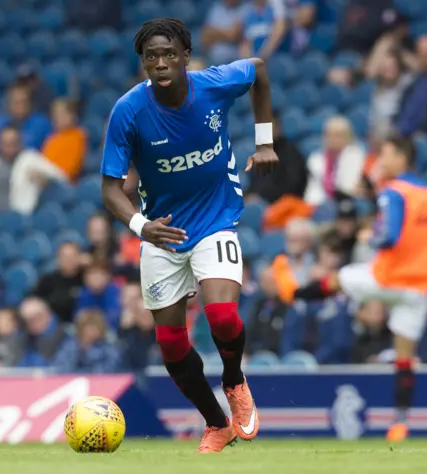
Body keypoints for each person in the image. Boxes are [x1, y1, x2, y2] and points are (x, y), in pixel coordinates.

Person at [100, 18, 278, 452]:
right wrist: (143, 226)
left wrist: (264, 141)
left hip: (215, 216)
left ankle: (234, 381)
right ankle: (216, 424)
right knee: (171, 347)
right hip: (163, 231)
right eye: (151, 57)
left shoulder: (215, 84)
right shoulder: (128, 111)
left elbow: (258, 69)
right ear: (143, 63)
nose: (160, 63)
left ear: (185, 57)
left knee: (221, 317)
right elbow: (109, 188)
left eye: (168, 54)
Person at [273, 134, 427, 442]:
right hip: (420, 286)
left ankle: (295, 293)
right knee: (405, 356)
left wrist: (371, 237)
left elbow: (390, 236)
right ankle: (401, 423)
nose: (382, 161)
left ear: (401, 159)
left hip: (389, 277)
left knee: (340, 279)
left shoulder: (394, 191)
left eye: (388, 154)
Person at [0, 126, 66, 214]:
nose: (8, 148)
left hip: (19, 218)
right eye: (5, 143)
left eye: (12, 143)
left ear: (19, 143)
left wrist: (44, 178)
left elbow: (61, 177)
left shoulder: (30, 159)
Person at [0, 84, 52, 154]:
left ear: (30, 103)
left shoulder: (42, 123)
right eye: (16, 103)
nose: (21, 107)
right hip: (4, 160)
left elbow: (51, 148)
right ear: (9, 104)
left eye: (24, 102)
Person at [41, 99, 87, 181]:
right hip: (46, 175)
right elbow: (43, 161)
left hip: (62, 178)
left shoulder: (78, 136)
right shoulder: (51, 138)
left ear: (71, 116)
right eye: (54, 115)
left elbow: (73, 168)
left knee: (27, 158)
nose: (56, 118)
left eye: (61, 114)